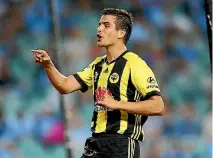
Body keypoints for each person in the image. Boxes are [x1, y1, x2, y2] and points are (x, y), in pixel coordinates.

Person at [32, 8, 164, 158]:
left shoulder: (135, 64)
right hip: (96, 143)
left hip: (121, 144)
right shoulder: (97, 65)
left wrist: (116, 104)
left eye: (106, 25)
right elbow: (65, 86)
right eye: (99, 24)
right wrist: (48, 65)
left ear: (121, 33)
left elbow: (158, 106)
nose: (99, 29)